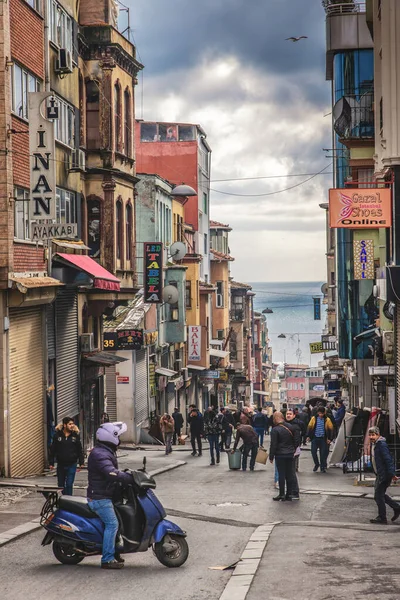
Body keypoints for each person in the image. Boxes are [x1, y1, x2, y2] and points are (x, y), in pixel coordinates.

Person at [87, 422, 134, 569]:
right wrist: (127, 477)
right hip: (100, 498)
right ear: (110, 437)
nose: (119, 440)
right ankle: (107, 559)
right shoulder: (100, 454)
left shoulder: (105, 451)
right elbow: (111, 472)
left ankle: (114, 552)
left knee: (118, 522)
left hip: (105, 495)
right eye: (118, 436)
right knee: (112, 524)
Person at [369, 427, 400, 524]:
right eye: (370, 435)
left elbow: (388, 460)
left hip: (384, 475)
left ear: (378, 435)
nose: (371, 437)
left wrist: (392, 474)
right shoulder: (376, 444)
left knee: (378, 495)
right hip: (381, 474)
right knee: (379, 495)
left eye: (373, 435)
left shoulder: (381, 445)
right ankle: (396, 508)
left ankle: (382, 518)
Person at [49, 416, 84, 496]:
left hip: (72, 464)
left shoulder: (75, 436)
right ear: (65, 425)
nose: (72, 426)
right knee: (60, 485)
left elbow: (79, 450)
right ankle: (66, 497)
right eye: (70, 424)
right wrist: (51, 462)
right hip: (61, 464)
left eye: (73, 424)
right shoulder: (57, 436)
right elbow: (53, 450)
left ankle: (69, 500)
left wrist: (81, 462)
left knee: (69, 484)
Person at [269, 411, 299, 501]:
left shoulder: (275, 430)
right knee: (289, 474)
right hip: (290, 454)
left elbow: (273, 444)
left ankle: (281, 494)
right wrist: (293, 449)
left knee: (281, 474)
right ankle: (289, 494)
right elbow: (296, 440)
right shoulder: (291, 427)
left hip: (280, 454)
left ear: (275, 419)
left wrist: (271, 456)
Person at [306, 407, 334, 473]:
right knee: (313, 452)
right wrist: (308, 436)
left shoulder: (327, 420)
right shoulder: (314, 419)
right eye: (319, 413)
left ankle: (322, 466)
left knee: (323, 454)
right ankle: (316, 464)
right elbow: (309, 427)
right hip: (315, 438)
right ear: (318, 412)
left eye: (322, 413)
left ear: (324, 413)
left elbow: (331, 429)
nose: (320, 415)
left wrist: (330, 439)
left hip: (323, 439)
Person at [285, 409, 303, 500]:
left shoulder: (295, 426)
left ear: (294, 415)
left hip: (292, 451)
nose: (288, 415)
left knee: (291, 472)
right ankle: (290, 491)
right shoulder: (287, 424)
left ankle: (295, 492)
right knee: (289, 472)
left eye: (290, 414)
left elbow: (297, 440)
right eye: (287, 414)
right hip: (289, 451)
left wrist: (293, 450)